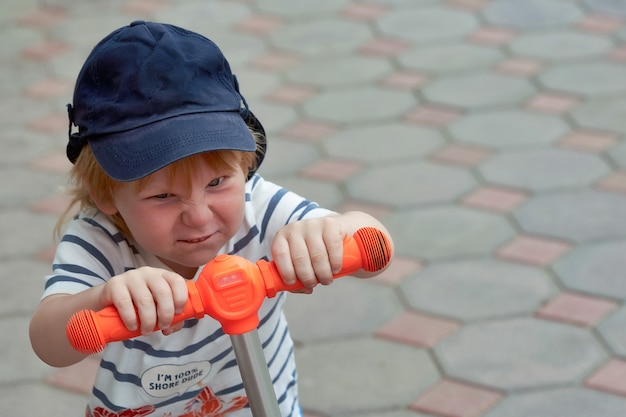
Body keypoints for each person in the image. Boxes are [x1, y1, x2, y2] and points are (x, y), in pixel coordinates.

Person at [29, 21, 392, 417]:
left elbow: (374, 247)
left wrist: (335, 231)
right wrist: (102, 298)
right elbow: (49, 344)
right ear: (106, 193)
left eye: (217, 182)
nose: (199, 217)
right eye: (164, 196)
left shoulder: (260, 207)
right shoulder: (101, 242)